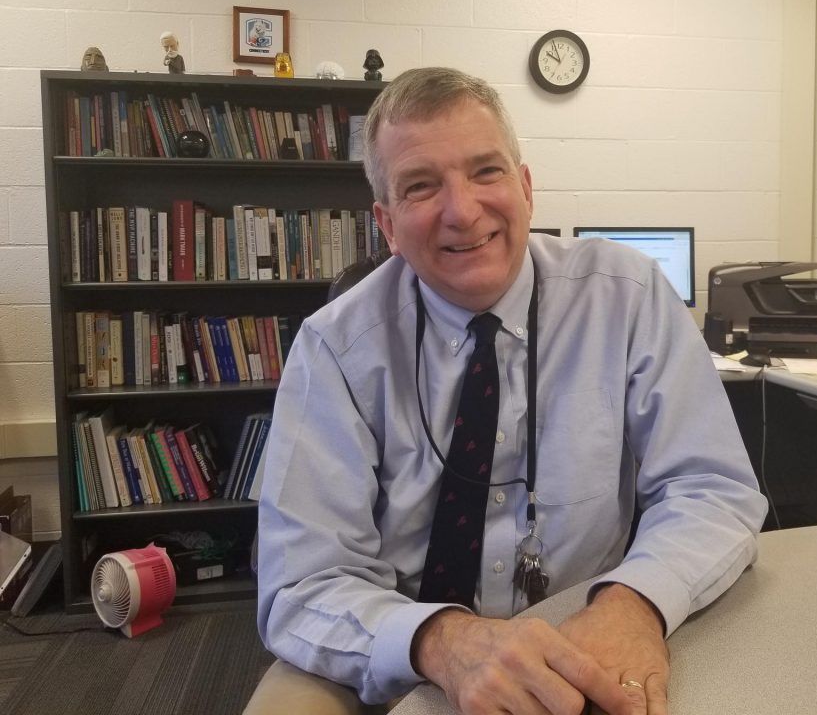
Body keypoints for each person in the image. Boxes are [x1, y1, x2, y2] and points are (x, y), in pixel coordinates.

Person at [255, 67, 768, 715]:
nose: (462, 210)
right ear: (386, 223)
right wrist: (442, 642)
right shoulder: (334, 349)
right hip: (392, 651)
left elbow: (712, 488)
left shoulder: (628, 298)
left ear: (525, 188)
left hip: (585, 626)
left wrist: (634, 600)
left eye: (485, 172)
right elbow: (302, 583)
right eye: (421, 186)